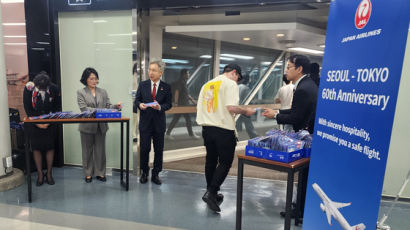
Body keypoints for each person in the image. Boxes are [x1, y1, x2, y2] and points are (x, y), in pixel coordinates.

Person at [262, 54, 318, 221]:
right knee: (304, 176)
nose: (286, 71)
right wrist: (278, 112)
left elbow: (296, 118)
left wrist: (274, 116)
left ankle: (299, 211)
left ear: (299, 69)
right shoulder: (309, 85)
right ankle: (300, 206)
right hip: (309, 135)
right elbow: (297, 112)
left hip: (306, 138)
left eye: (288, 67)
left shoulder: (303, 89)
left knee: (303, 175)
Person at [196, 63, 256, 212]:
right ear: (234, 73)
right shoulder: (230, 84)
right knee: (225, 162)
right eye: (238, 78)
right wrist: (246, 111)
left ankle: (212, 192)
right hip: (223, 130)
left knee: (210, 160)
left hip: (207, 129)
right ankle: (211, 192)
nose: (237, 81)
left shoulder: (208, 84)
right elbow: (231, 108)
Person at [77, 67, 122, 183]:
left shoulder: (103, 91)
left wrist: (116, 107)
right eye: (91, 78)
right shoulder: (81, 92)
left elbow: (108, 106)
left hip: (101, 126)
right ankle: (88, 173)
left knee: (100, 151)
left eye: (96, 78)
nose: (94, 81)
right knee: (87, 151)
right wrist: (101, 110)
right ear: (85, 79)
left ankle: (100, 173)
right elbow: (84, 109)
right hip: (87, 126)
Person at [134, 60, 172, 185]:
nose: (150, 72)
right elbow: (137, 100)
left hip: (159, 124)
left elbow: (169, 104)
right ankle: (144, 172)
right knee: (144, 149)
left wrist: (160, 107)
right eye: (149, 70)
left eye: (154, 70)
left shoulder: (166, 87)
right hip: (145, 123)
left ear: (160, 73)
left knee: (158, 149)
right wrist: (140, 105)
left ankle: (156, 174)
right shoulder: (143, 84)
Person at [23, 71, 61, 186]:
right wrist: (37, 124)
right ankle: (40, 174)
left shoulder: (54, 88)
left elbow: (57, 107)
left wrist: (49, 122)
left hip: (50, 121)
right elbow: (27, 108)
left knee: (50, 147)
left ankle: (49, 174)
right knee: (36, 148)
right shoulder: (29, 88)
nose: (42, 90)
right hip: (34, 123)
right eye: (40, 88)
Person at [165, 69, 199, 140]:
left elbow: (186, 93)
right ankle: (191, 134)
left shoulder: (183, 82)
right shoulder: (180, 82)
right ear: (184, 74)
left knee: (177, 119)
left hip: (184, 104)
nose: (189, 75)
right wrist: (176, 103)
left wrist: (192, 100)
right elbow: (177, 92)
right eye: (188, 73)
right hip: (181, 105)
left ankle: (168, 133)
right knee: (186, 119)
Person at [235, 74, 258, 138]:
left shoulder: (238, 86)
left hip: (237, 108)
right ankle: (254, 136)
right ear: (248, 80)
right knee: (249, 124)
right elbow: (249, 99)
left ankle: (236, 137)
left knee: (237, 124)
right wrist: (254, 103)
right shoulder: (246, 88)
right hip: (244, 109)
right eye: (250, 78)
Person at [131, 63, 139, 142]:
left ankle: (135, 134)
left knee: (137, 118)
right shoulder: (132, 77)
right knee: (135, 117)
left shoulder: (139, 77)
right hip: (134, 101)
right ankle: (133, 135)